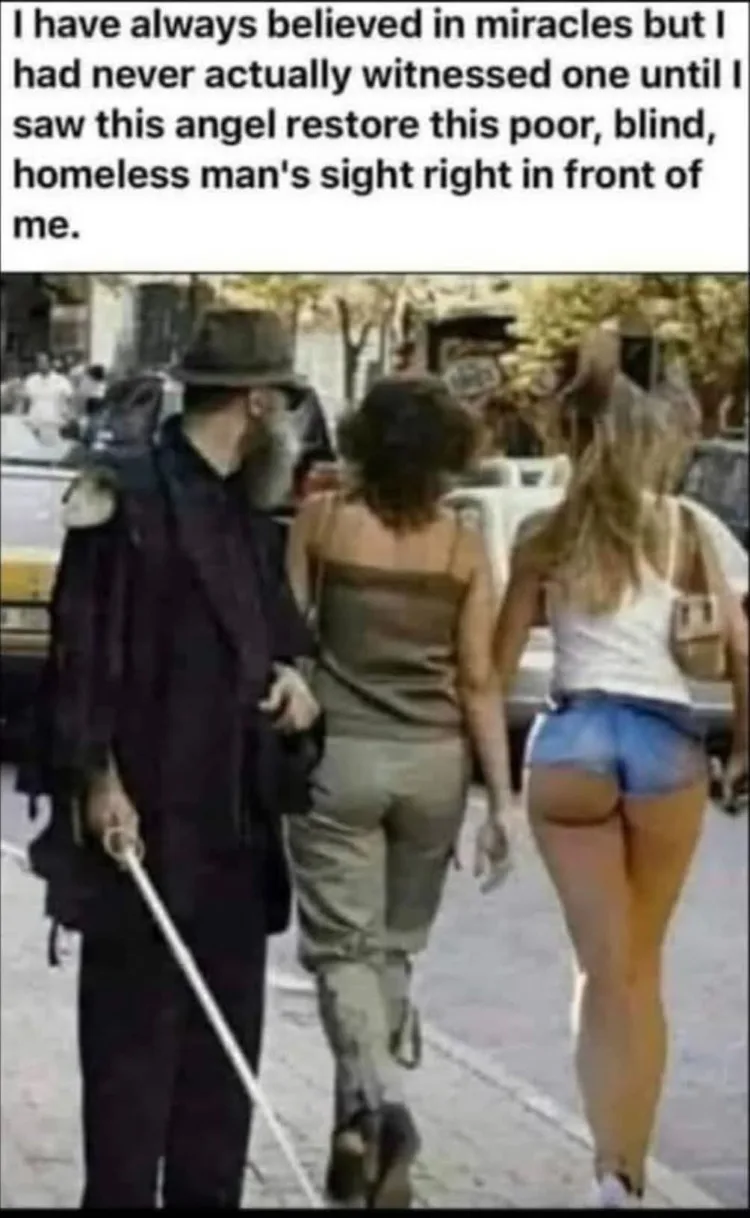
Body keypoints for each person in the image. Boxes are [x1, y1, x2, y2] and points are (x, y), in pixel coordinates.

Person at [20, 309, 322, 1208]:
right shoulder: (128, 495)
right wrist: (98, 780)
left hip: (234, 838)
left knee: (217, 1093)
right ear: (257, 401)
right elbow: (78, 649)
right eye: (286, 404)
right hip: (145, 837)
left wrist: (294, 685)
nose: (292, 425)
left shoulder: (248, 514)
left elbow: (277, 643)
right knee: (129, 1082)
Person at [493, 348, 748, 1207]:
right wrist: (743, 748)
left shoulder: (544, 532)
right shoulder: (685, 529)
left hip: (569, 746)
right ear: (654, 440)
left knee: (600, 972)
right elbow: (740, 648)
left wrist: (488, 780)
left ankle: (607, 1170)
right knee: (641, 970)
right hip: (664, 748)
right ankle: (626, 1174)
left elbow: (494, 665)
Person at [286, 375, 513, 1207]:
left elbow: (289, 639)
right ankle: (359, 1148)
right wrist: (503, 802)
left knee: (343, 951)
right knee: (387, 952)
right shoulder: (463, 547)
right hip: (435, 768)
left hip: (340, 759)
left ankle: (381, 1105)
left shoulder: (322, 522)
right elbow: (480, 680)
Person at [22, 352, 74, 439]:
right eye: (39, 362)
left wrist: (68, 419)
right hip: (35, 424)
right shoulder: (31, 380)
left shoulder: (61, 381)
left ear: (50, 363)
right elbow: (25, 402)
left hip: (54, 424)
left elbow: (70, 401)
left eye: (44, 361)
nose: (41, 364)